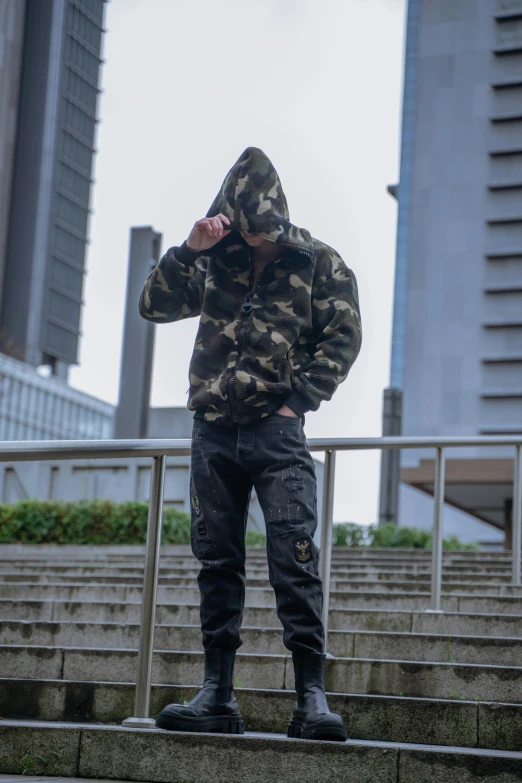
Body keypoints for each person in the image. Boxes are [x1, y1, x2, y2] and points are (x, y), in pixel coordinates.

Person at [139, 146, 362, 741]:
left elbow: (343, 337)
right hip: (212, 431)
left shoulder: (318, 261)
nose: (251, 237)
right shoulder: (214, 259)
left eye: (258, 228)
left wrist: (298, 402)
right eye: (242, 226)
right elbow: (152, 305)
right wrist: (190, 250)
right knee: (216, 562)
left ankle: (311, 698)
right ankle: (217, 696)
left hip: (275, 430)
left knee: (294, 558)